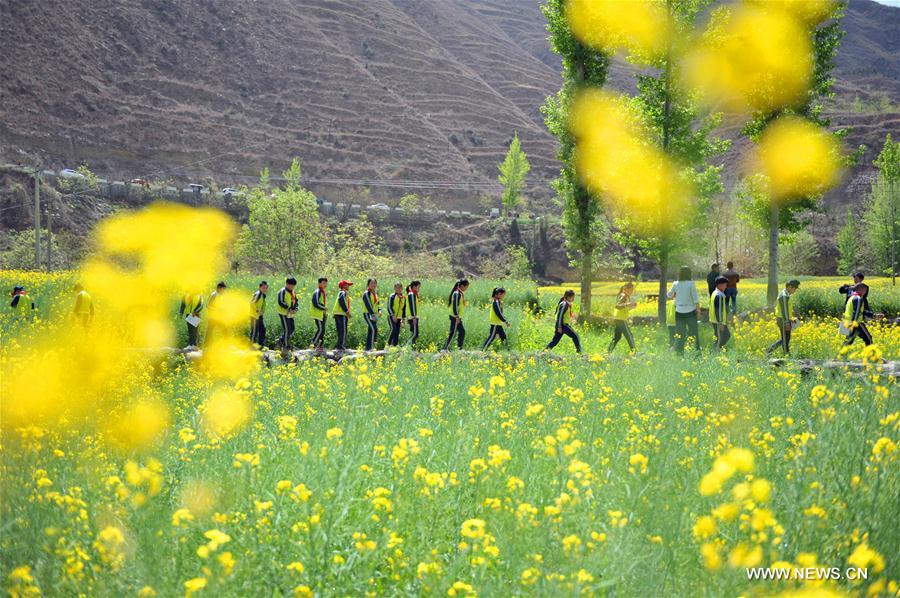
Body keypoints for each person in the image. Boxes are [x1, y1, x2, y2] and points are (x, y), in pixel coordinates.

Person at [667, 266, 701, 354]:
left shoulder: (675, 284)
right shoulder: (691, 284)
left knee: (680, 333)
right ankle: (695, 351)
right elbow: (695, 298)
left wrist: (675, 293)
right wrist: (698, 310)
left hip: (679, 311)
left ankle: (679, 352)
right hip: (690, 312)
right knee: (693, 332)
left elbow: (669, 295)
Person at [766, 280, 800, 356]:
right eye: (794, 288)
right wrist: (787, 322)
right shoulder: (784, 295)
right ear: (789, 287)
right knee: (785, 338)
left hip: (784, 319)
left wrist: (790, 318)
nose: (795, 291)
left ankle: (770, 350)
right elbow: (784, 309)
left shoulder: (786, 294)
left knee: (786, 338)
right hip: (782, 319)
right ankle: (786, 354)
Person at [608, 282, 636, 353]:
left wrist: (631, 307)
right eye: (631, 290)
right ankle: (634, 352)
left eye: (633, 290)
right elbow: (618, 306)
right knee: (629, 335)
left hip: (618, 318)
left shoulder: (624, 296)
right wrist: (628, 304)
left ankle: (608, 352)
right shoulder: (623, 296)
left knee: (617, 337)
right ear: (625, 289)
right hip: (621, 320)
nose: (632, 292)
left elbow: (622, 308)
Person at [443, 279, 469, 351]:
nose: (466, 288)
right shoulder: (456, 293)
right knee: (453, 333)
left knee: (462, 332)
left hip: (457, 317)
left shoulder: (459, 293)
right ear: (462, 286)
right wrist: (457, 316)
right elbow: (455, 305)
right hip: (455, 317)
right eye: (466, 286)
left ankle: (459, 348)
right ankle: (445, 349)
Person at [276, 277, 298, 351]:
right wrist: (289, 308)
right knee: (287, 329)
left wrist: (295, 308)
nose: (292, 287)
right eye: (291, 285)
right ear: (287, 284)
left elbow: (296, 301)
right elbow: (281, 302)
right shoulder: (282, 291)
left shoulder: (293, 292)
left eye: (293, 286)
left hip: (290, 314)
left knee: (292, 329)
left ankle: (280, 341)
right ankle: (285, 345)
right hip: (283, 313)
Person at [709, 276, 730, 350]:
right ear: (720, 285)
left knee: (725, 335)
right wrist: (720, 323)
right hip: (718, 321)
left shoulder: (715, 293)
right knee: (720, 338)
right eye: (725, 284)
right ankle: (715, 351)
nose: (726, 286)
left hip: (715, 320)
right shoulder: (719, 295)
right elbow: (718, 310)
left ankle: (719, 349)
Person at [333, 280, 353, 351]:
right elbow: (341, 300)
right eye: (347, 284)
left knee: (340, 330)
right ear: (343, 286)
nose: (348, 286)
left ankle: (339, 346)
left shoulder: (340, 292)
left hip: (337, 314)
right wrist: (347, 311)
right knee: (343, 330)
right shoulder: (343, 292)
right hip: (342, 314)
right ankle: (341, 346)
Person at [362, 278, 381, 351]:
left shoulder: (375, 293)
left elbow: (377, 304)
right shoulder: (366, 293)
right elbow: (368, 305)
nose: (373, 285)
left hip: (374, 315)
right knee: (374, 329)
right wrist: (372, 314)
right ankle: (371, 347)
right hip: (368, 314)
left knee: (371, 330)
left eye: (374, 283)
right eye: (371, 283)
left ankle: (368, 348)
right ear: (368, 284)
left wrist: (379, 310)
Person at [310, 277, 328, 350]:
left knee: (322, 330)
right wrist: (323, 308)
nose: (325, 284)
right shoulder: (317, 292)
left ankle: (320, 345)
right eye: (324, 283)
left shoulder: (322, 292)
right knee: (320, 329)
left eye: (326, 283)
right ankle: (313, 344)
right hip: (317, 314)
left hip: (322, 314)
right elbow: (316, 303)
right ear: (319, 283)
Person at [249, 281, 268, 348]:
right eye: (263, 288)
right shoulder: (258, 294)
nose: (265, 289)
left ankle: (260, 345)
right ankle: (251, 346)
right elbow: (252, 303)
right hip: (254, 315)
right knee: (254, 331)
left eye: (266, 288)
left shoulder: (263, 295)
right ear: (260, 287)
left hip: (259, 316)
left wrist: (261, 312)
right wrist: (257, 310)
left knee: (262, 329)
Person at [387, 282, 405, 347]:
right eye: (396, 287)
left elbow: (404, 309)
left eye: (399, 287)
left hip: (399, 318)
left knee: (397, 332)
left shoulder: (403, 297)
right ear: (394, 288)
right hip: (391, 317)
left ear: (402, 288)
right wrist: (393, 315)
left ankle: (394, 346)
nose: (398, 289)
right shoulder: (392, 296)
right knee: (393, 329)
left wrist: (403, 319)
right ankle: (388, 345)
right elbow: (389, 306)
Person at [405, 281, 421, 348]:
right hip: (412, 317)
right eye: (418, 287)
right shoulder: (411, 294)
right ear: (414, 287)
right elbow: (412, 306)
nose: (419, 289)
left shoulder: (414, 294)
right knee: (415, 334)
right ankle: (406, 347)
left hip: (413, 317)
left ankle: (412, 348)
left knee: (414, 333)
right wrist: (414, 317)